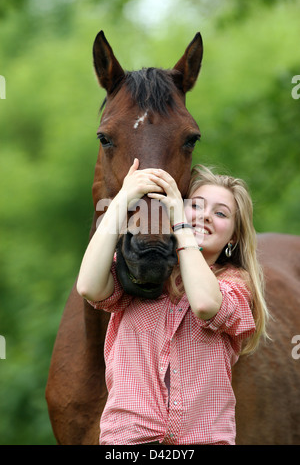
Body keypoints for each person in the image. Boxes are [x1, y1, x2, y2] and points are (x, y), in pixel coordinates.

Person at [76, 159, 269, 445]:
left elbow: (204, 304)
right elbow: (89, 286)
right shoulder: (141, 275)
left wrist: (181, 225)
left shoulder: (235, 285)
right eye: (195, 205)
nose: (205, 216)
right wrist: (121, 201)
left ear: (234, 236)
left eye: (221, 213)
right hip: (130, 440)